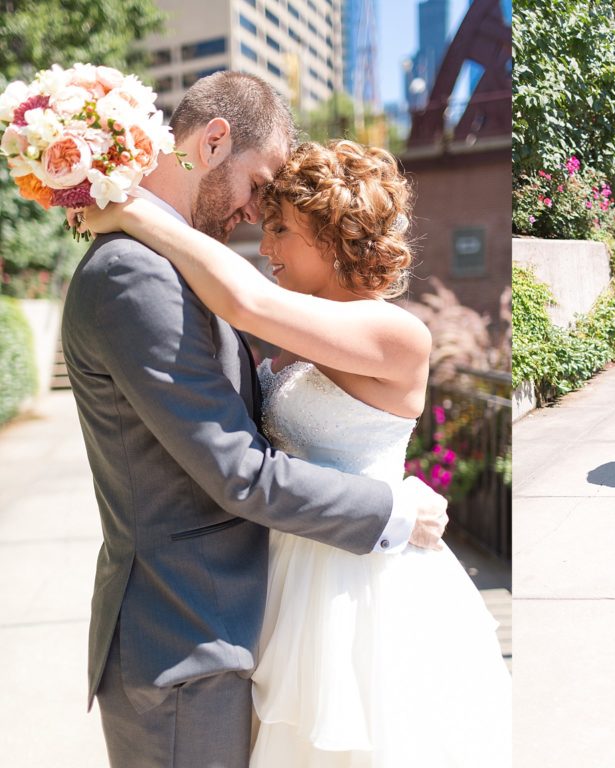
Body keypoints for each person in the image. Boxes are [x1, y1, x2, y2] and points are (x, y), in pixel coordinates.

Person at [77, 138, 512, 766]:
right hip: (283, 564)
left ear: (336, 234)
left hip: (356, 580)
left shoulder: (395, 331)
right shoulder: (302, 328)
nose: (267, 246)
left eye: (282, 228)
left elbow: (242, 301)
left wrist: (135, 212)